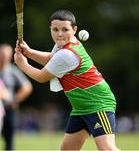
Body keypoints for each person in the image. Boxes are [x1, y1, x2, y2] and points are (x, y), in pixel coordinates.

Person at [14, 10, 120, 151]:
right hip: (80, 108)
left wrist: (23, 64)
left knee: (107, 148)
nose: (59, 34)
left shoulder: (67, 54)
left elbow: (41, 77)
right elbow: (52, 59)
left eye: (65, 29)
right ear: (50, 29)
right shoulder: (62, 46)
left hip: (98, 104)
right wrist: (29, 52)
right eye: (55, 29)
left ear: (74, 30)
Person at [0, 43, 33, 150]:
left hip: (8, 108)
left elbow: (27, 87)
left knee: (9, 140)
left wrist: (15, 100)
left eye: (7, 54)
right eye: (2, 54)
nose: (4, 57)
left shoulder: (12, 71)